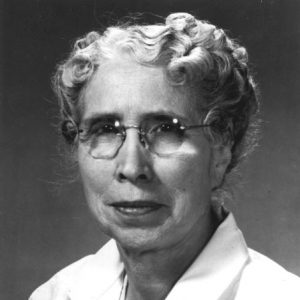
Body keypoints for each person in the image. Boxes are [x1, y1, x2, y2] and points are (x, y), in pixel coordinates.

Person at [29, 12, 300, 300]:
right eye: (105, 129)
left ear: (222, 150)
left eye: (166, 130)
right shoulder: (56, 295)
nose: (132, 167)